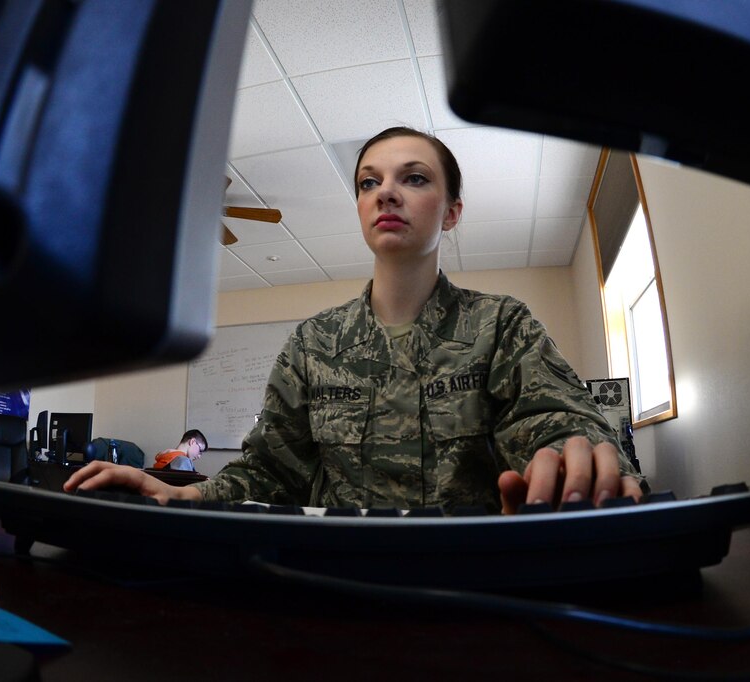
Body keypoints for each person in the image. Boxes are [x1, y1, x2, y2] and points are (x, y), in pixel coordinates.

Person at [67, 126, 645, 512]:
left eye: (413, 178)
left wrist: (583, 459)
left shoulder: (500, 326)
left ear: (451, 213)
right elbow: (271, 471)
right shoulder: (313, 343)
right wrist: (175, 497)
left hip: (470, 582)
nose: (386, 193)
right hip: (334, 582)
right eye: (370, 181)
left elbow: (557, 422)